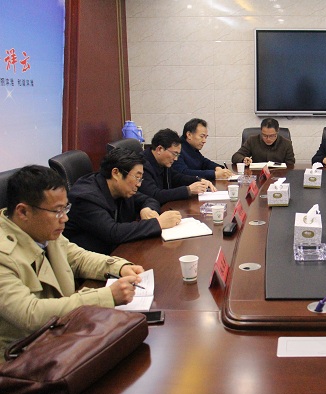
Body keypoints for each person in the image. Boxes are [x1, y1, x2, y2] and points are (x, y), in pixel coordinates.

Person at [0, 166, 143, 361]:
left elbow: (77, 258)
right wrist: (106, 296)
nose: (65, 218)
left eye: (65, 208)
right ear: (23, 212)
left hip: (60, 336)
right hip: (22, 359)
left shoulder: (41, 229)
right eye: (57, 211)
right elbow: (30, 314)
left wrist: (119, 267)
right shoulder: (4, 254)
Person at [65, 148, 182, 255]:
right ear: (116, 173)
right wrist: (158, 223)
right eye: (137, 177)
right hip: (93, 261)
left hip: (119, 251)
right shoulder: (86, 197)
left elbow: (149, 199)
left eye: (141, 179)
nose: (139, 184)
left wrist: (146, 209)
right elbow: (112, 232)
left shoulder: (121, 188)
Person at [140, 128, 216, 205]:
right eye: (174, 154)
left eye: (178, 155)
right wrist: (188, 190)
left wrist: (198, 180)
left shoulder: (162, 162)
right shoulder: (141, 165)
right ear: (159, 149)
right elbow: (154, 195)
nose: (176, 159)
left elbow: (177, 178)